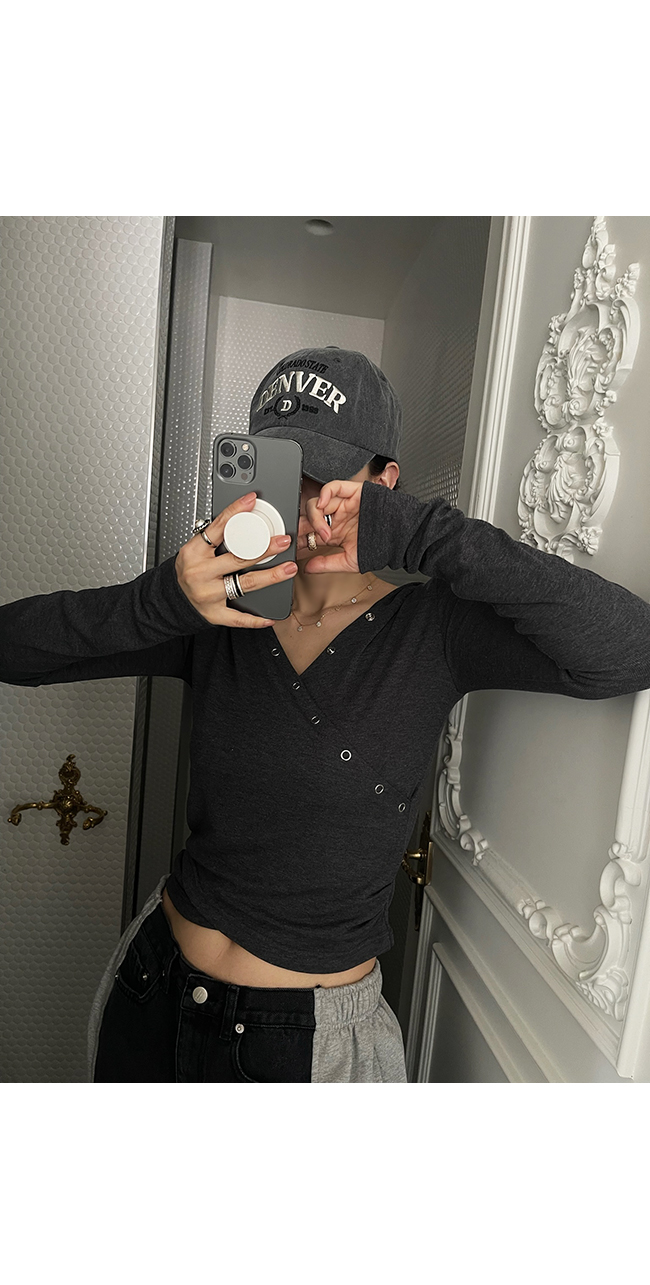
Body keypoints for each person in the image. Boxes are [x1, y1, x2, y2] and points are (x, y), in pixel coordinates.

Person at [2, 345, 650, 1083]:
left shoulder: (433, 629)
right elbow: (16, 650)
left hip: (305, 1047)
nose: (305, 507)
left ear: (385, 483)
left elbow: (629, 651)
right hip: (153, 990)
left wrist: (423, 534)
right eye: (283, 475)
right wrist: (160, 600)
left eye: (330, 477)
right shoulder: (215, 612)